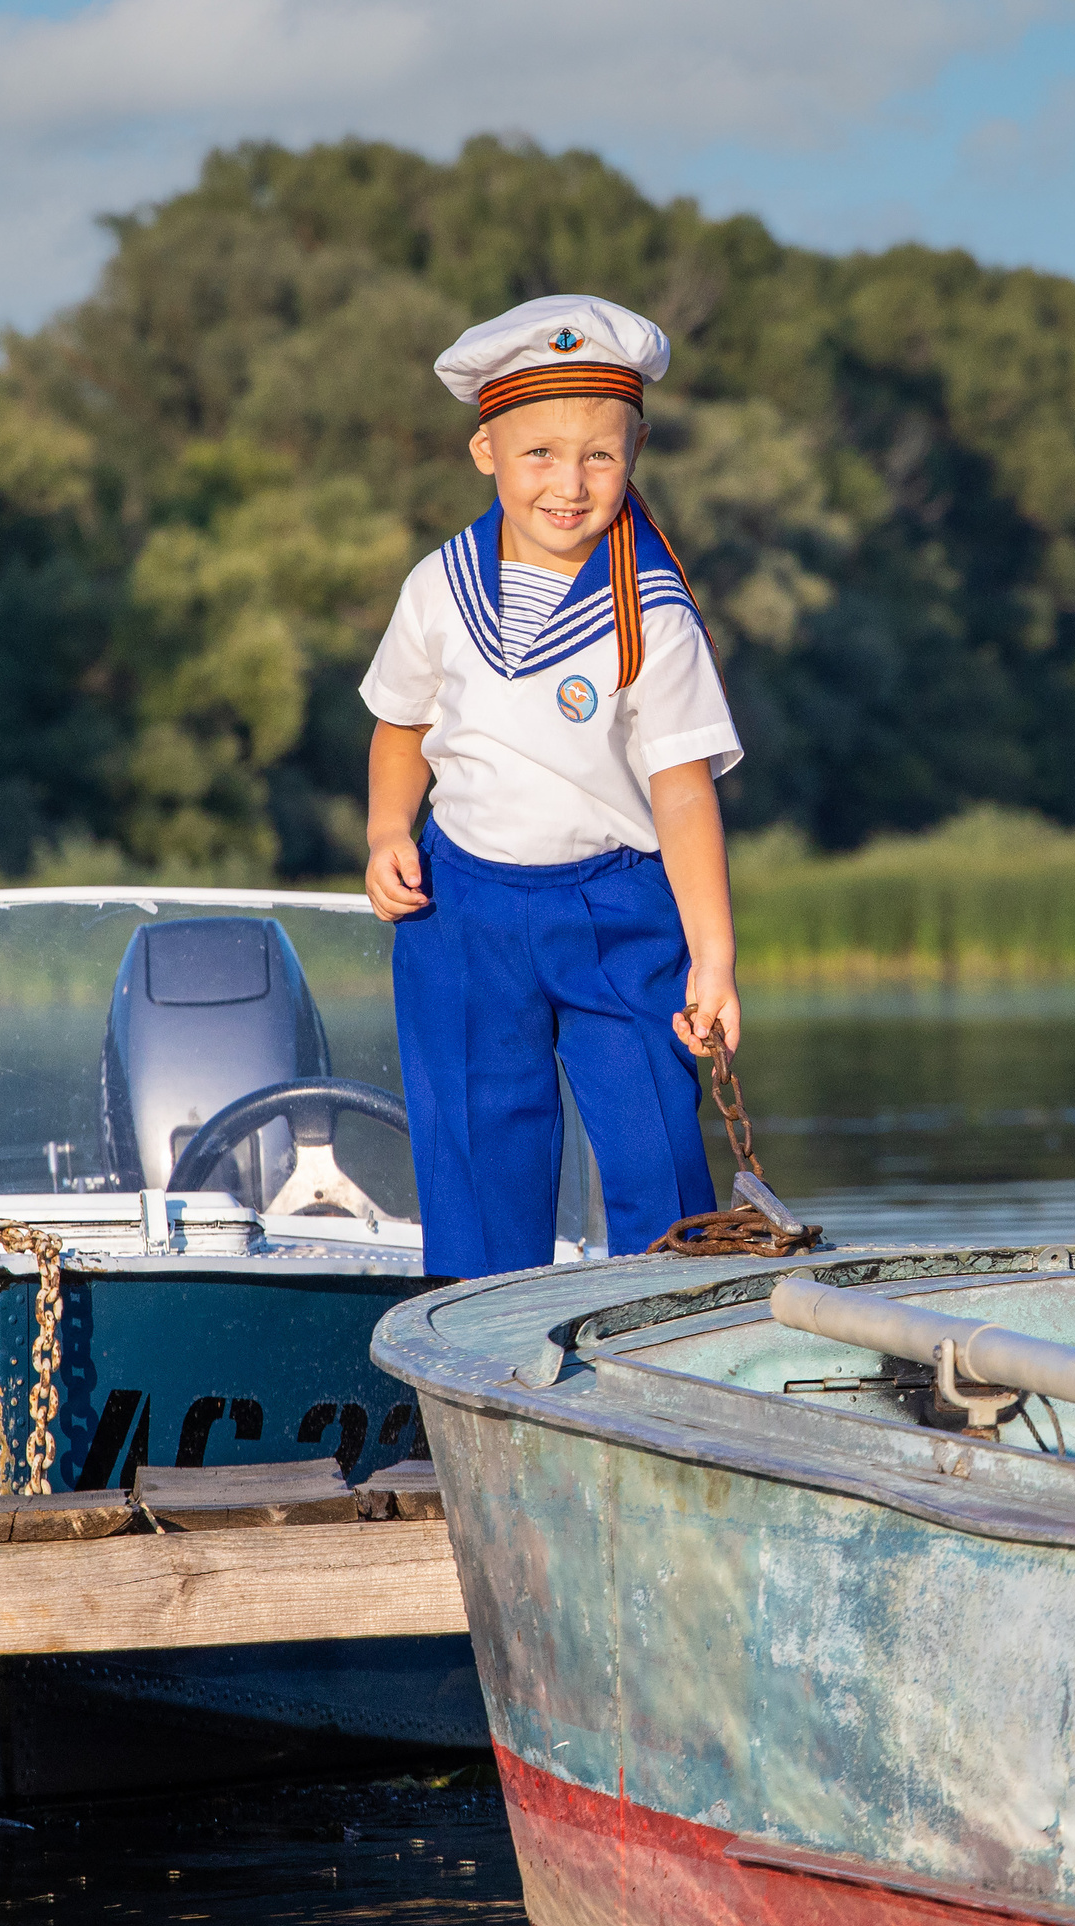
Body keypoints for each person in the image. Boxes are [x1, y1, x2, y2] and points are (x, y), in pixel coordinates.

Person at [359, 294, 741, 1278]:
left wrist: (713, 957)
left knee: (654, 1144)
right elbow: (400, 723)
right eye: (539, 454)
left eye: (599, 455)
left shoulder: (652, 610)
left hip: (615, 903)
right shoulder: (439, 586)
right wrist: (386, 829)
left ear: (637, 449)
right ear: (485, 449)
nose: (568, 485)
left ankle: (672, 1343)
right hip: (463, 908)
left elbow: (684, 791)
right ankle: (483, 1369)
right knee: (479, 1151)